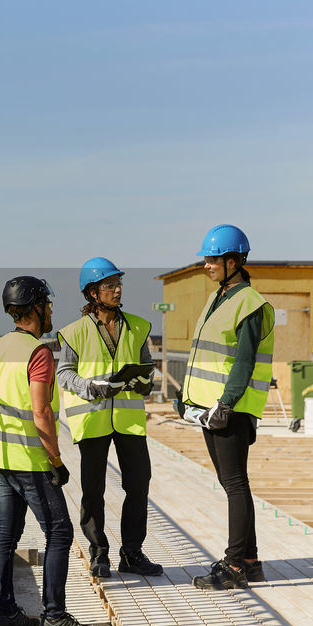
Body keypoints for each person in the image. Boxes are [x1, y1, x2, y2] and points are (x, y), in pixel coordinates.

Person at [0, 276, 96, 626]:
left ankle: (7, 614)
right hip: (30, 459)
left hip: (0, 457)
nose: (52, 309)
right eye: (49, 304)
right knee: (59, 532)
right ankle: (54, 616)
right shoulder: (37, 352)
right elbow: (41, 412)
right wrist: (56, 461)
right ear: (37, 307)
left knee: (6, 535)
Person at [175, 225, 274, 590]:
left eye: (213, 259)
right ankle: (249, 560)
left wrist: (226, 404)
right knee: (232, 483)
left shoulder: (249, 304)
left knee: (234, 484)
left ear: (234, 261)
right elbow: (209, 357)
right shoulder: (219, 299)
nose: (207, 265)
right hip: (210, 409)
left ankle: (233, 566)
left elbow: (243, 363)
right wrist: (188, 399)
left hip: (230, 410)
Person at [55, 258, 163, 579]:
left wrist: (145, 382)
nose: (117, 290)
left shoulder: (139, 326)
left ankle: (131, 554)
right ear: (92, 293)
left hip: (129, 421)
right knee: (93, 490)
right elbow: (64, 373)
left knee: (138, 484)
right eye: (109, 286)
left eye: (118, 285)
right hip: (93, 419)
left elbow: (147, 368)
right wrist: (91, 387)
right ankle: (98, 553)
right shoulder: (74, 333)